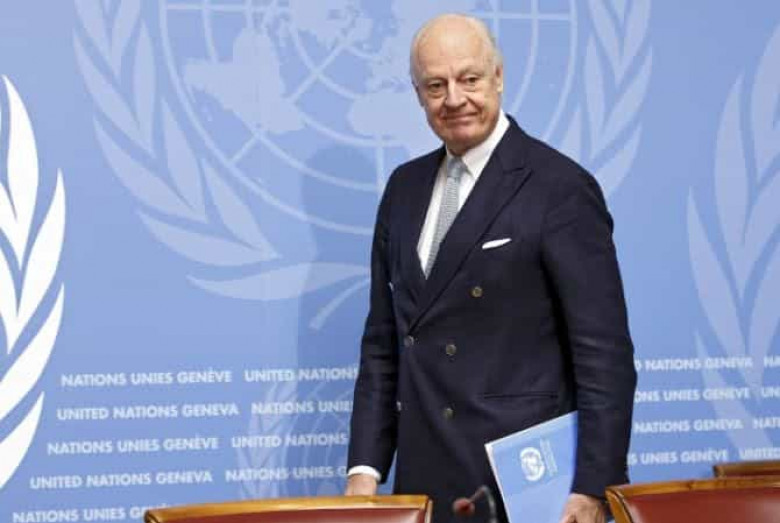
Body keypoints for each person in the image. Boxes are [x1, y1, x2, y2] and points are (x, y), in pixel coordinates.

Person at [345, 13, 636, 523]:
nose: (454, 99)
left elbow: (604, 354)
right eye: (436, 85)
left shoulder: (559, 187)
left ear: (498, 77)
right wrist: (364, 470)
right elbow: (383, 342)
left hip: (526, 490)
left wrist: (593, 486)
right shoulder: (403, 189)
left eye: (469, 79)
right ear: (418, 95)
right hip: (423, 485)